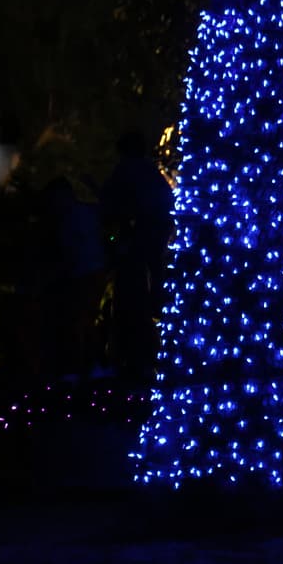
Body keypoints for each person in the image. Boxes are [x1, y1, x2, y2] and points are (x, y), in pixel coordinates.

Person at [101, 131, 174, 386]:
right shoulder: (151, 173)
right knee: (150, 277)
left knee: (131, 293)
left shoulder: (128, 171)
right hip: (152, 236)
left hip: (138, 239)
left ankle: (132, 355)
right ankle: (156, 302)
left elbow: (111, 200)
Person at [40, 177, 107, 382]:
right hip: (83, 272)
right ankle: (84, 365)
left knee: (80, 320)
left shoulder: (78, 215)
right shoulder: (74, 215)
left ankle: (86, 365)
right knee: (79, 319)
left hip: (88, 272)